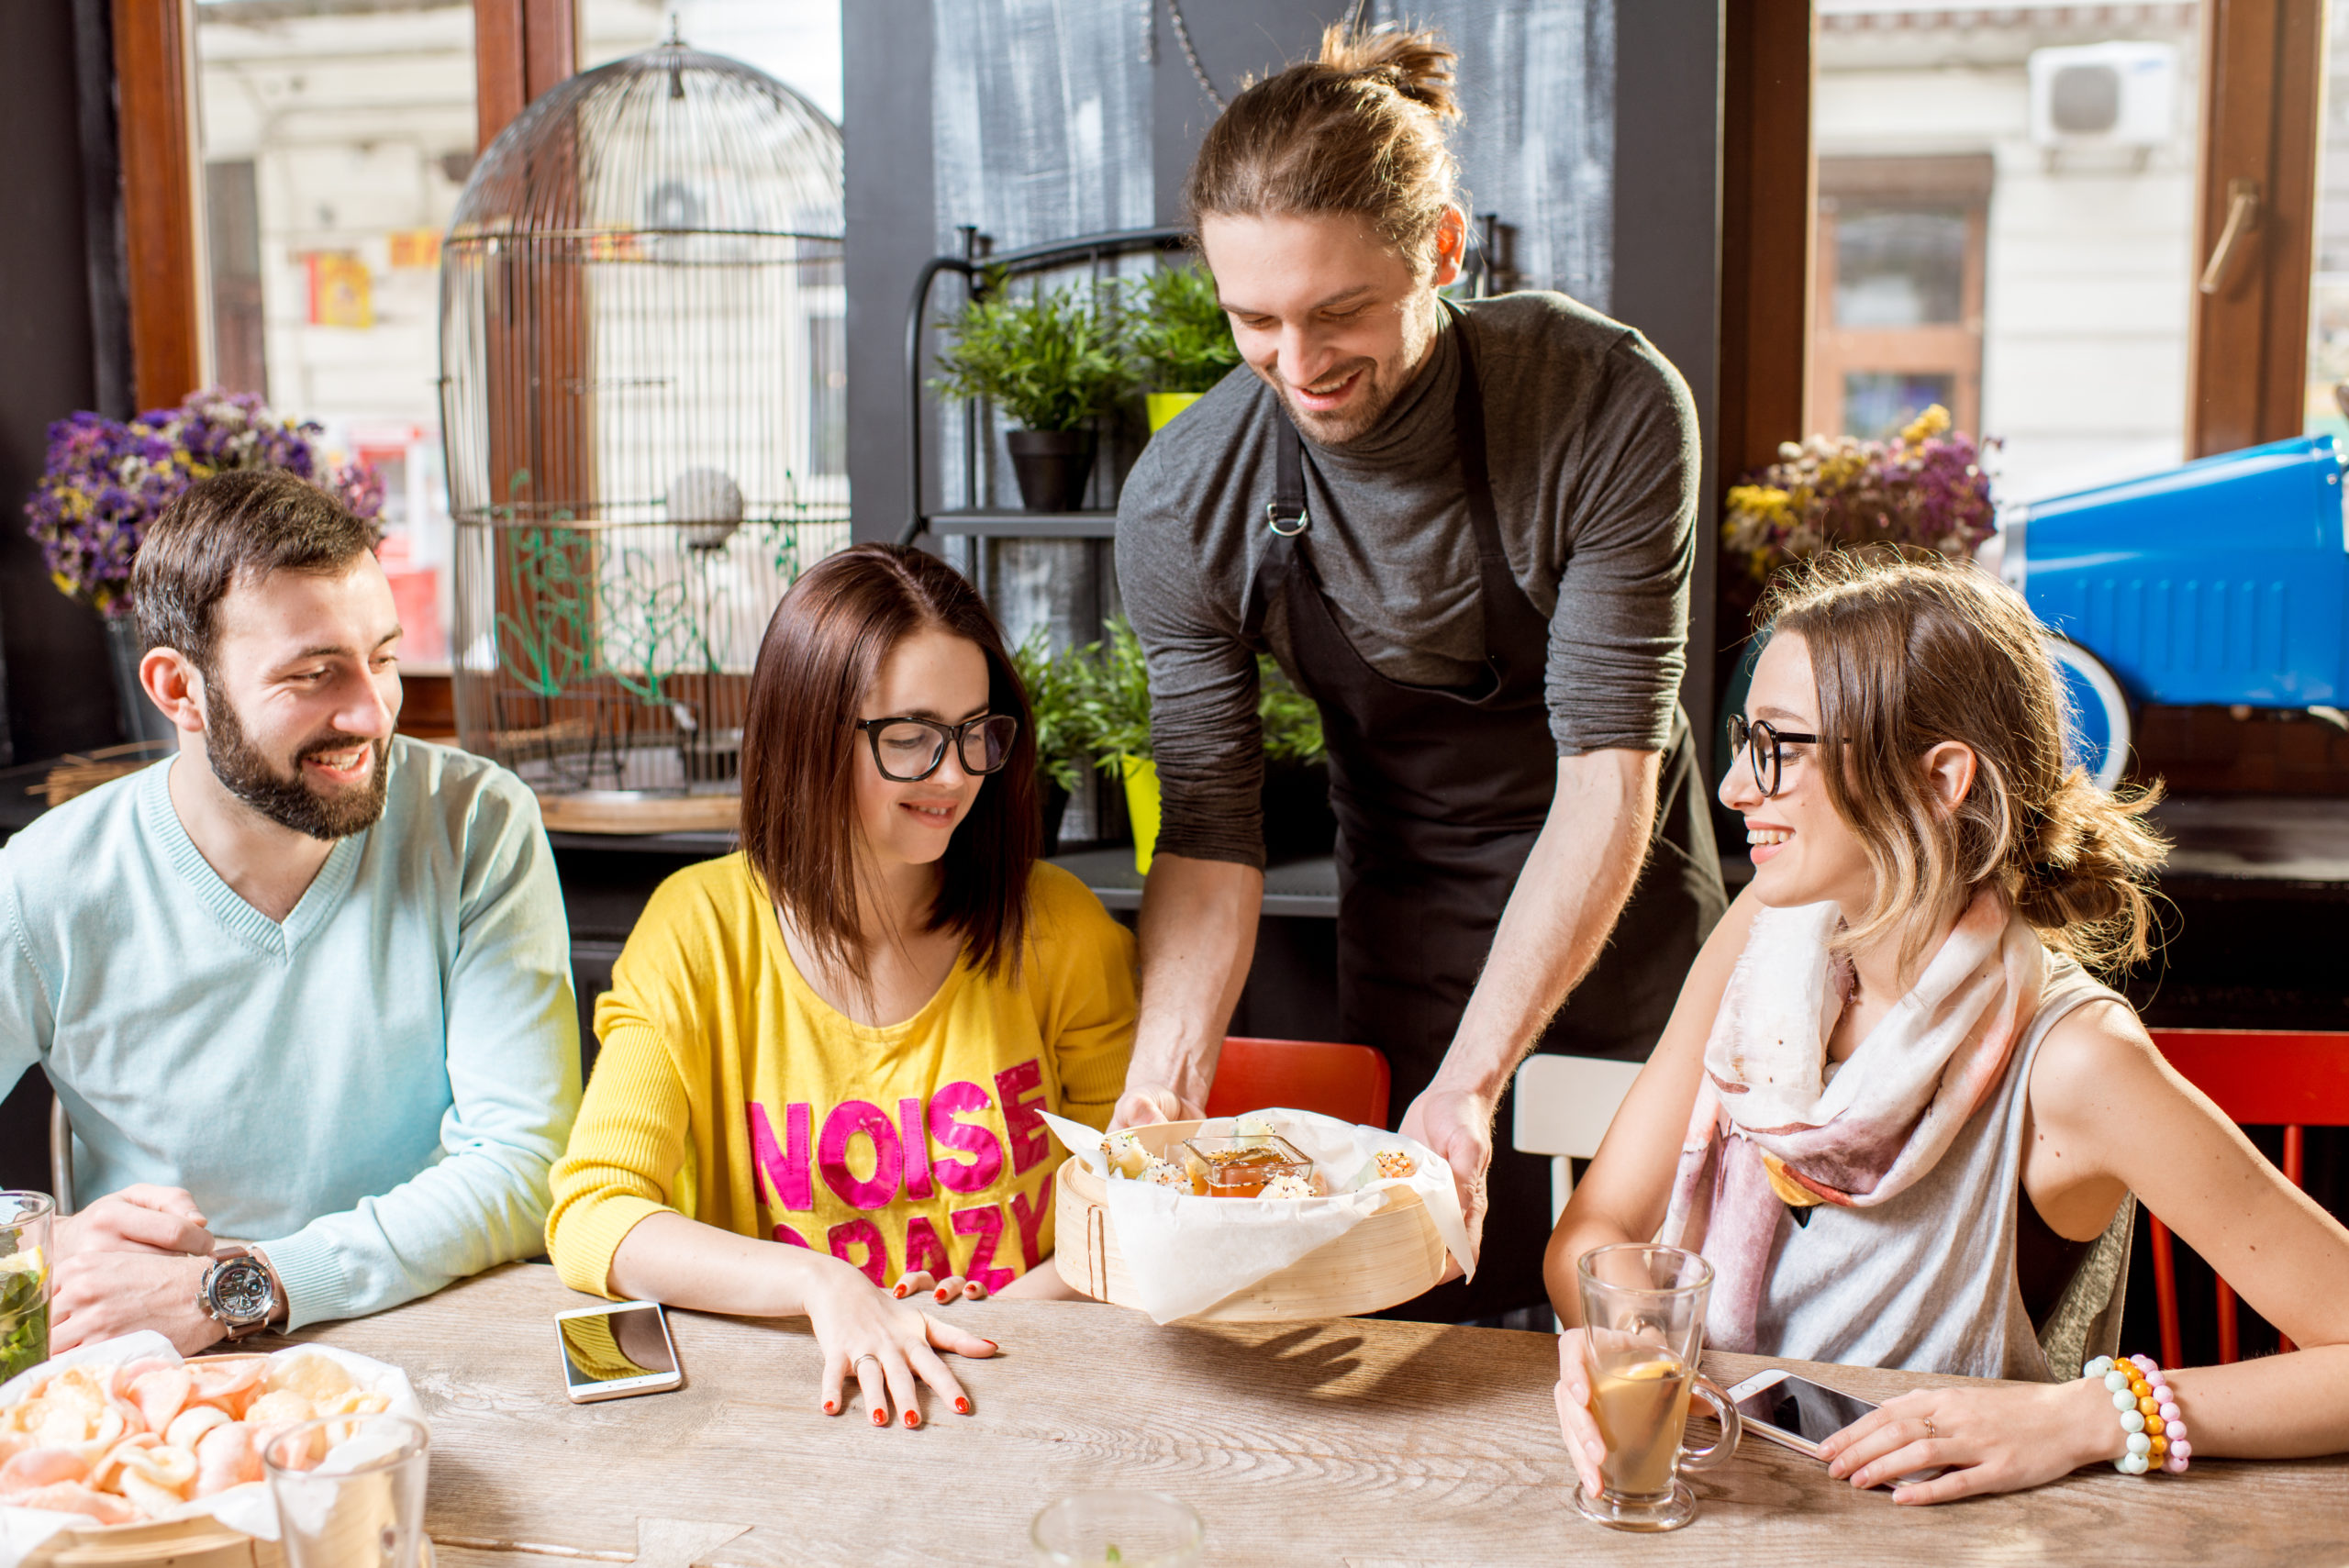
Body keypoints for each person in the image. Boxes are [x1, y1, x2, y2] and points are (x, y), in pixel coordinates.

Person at [1110, 23, 1725, 1319]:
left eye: (1340, 311)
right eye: (1255, 319)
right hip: (1404, 931)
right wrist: (1163, 1085)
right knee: (1426, 1352)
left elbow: (1608, 775)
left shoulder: (1601, 403)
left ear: (1442, 249)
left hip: (1626, 931)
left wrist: (1480, 1075)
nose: (1299, 362)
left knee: (1640, 1330)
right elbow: (1213, 833)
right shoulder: (1186, 499)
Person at [1548, 553, 2349, 1502]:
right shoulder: (1758, 942)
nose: (1731, 786)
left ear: (1940, 779)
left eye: (1779, 746)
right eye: (1742, 739)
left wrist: (2085, 1416)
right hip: (1730, 1494)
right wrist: (1625, 1339)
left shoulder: (2074, 1059)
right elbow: (1594, 1231)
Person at [545, 544, 1136, 1429]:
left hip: (1028, 1388)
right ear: (808, 735)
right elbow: (595, 1213)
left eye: (978, 732)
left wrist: (957, 1324)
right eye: (910, 738)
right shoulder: (698, 928)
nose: (956, 774)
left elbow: (1136, 1210)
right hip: (795, 1414)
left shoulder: (1060, 926)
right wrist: (824, 1283)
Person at [0, 468, 581, 1352]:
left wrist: (246, 1283)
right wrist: (41, 1246)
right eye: (315, 674)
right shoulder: (46, 879)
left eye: (382, 658)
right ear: (178, 691)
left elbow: (526, 1164)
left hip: (450, 1329)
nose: (372, 712)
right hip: (160, 1372)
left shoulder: (477, 821)